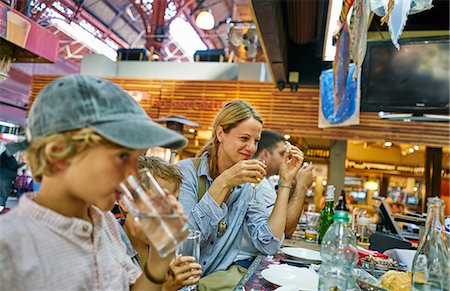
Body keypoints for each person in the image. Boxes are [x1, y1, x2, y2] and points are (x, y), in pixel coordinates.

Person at [0, 74, 188, 290]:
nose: (133, 175)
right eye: (122, 157)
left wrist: (159, 257)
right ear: (59, 153)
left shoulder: (104, 221)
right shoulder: (9, 247)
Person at [177, 100, 303, 289]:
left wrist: (285, 182)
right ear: (220, 134)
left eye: (256, 141)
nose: (252, 148)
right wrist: (224, 181)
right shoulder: (185, 173)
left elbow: (268, 244)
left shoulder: (249, 184)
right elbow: (183, 243)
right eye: (244, 139)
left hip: (212, 283)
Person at [117, 156, 202, 291]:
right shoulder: (112, 246)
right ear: (125, 202)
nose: (169, 211)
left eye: (173, 201)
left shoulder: (161, 243)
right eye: (158, 200)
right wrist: (166, 288)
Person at [234, 130, 314, 268]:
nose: (286, 158)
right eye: (282, 154)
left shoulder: (265, 180)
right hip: (244, 261)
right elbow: (284, 230)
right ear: (265, 154)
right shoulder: (259, 182)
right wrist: (302, 186)